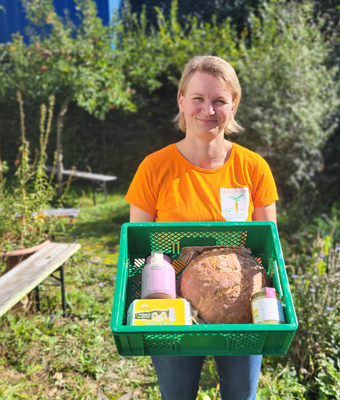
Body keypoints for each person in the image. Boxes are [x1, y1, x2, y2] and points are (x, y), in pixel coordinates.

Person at [125, 55, 279, 400]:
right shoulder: (154, 168)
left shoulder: (254, 168)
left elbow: (268, 247)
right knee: (177, 395)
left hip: (242, 310)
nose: (208, 110)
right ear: (181, 101)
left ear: (233, 105)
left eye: (219, 100)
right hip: (170, 308)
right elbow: (140, 252)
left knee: (240, 396)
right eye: (198, 98)